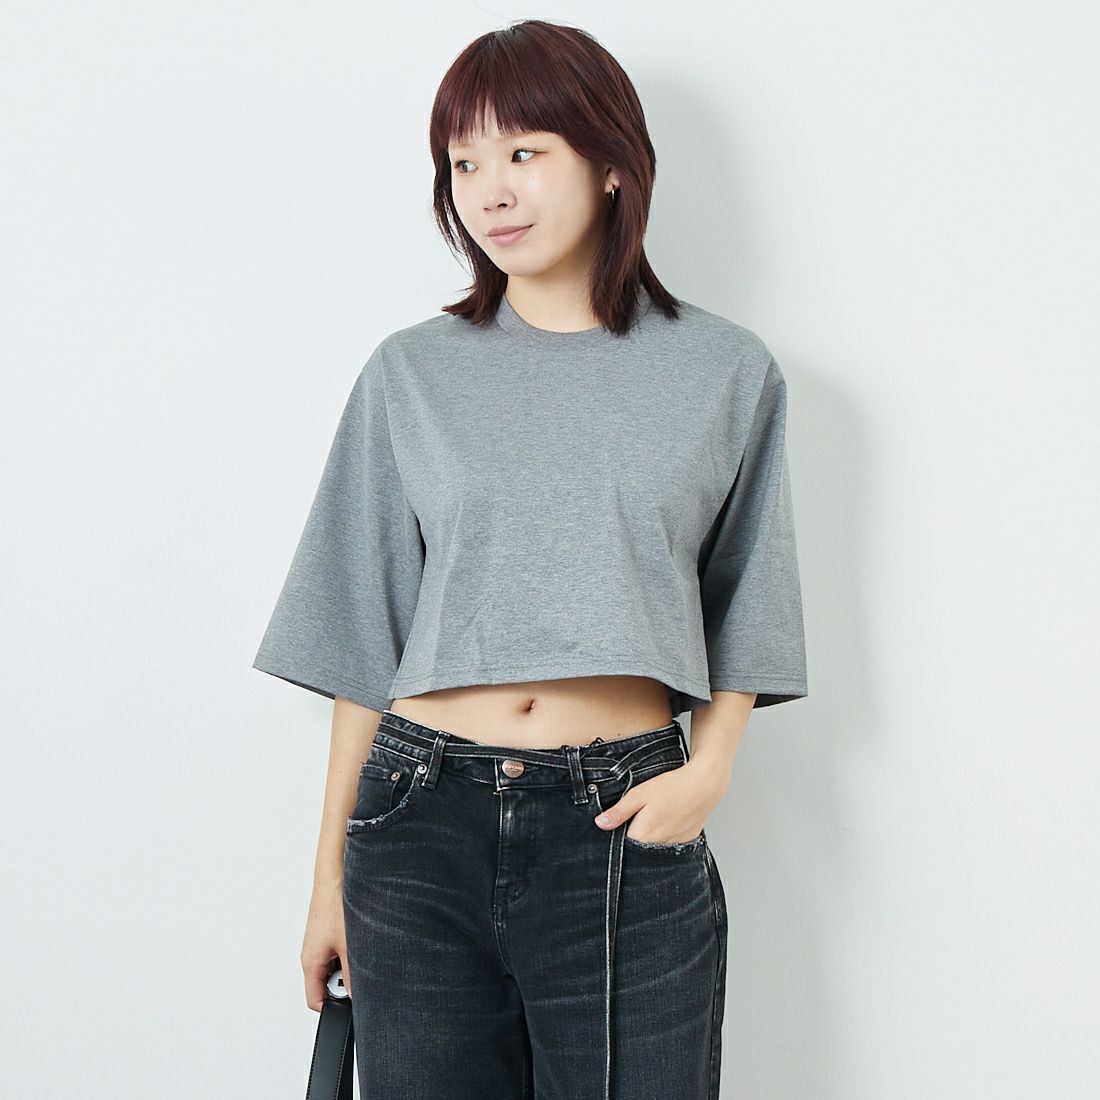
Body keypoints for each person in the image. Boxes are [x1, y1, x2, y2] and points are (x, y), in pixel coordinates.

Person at [252, 19, 807, 1100]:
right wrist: (326, 881)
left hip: (623, 823)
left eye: (523, 152)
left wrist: (709, 769)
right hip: (417, 823)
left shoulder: (724, 371)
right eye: (462, 163)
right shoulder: (410, 372)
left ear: (610, 163)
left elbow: (753, 592)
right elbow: (363, 635)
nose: (489, 191)